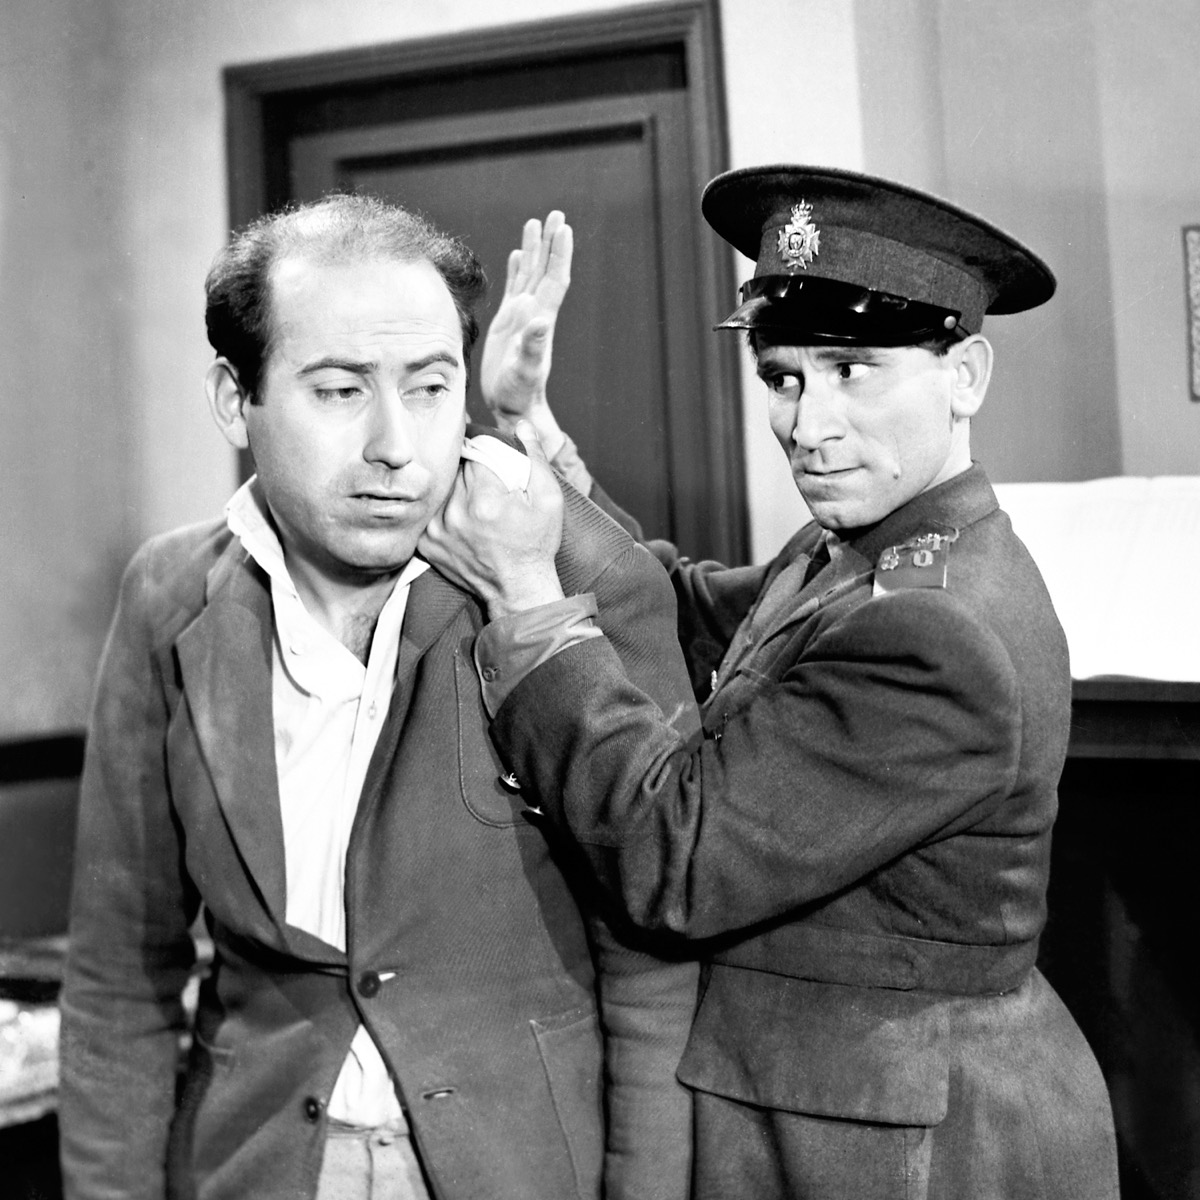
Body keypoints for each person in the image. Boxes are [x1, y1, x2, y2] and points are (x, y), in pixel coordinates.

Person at [421, 166, 1121, 1199]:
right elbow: (673, 605)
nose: (808, 423)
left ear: (966, 374)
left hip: (886, 1144)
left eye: (852, 370)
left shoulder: (936, 629)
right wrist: (531, 426)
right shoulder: (868, 548)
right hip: (834, 1101)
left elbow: (672, 861)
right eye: (783, 378)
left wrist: (525, 595)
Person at [57, 195, 701, 1200]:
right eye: (339, 390)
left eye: (431, 387)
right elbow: (120, 973)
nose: (396, 444)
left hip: (524, 1169)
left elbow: (653, 968)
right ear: (234, 397)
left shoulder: (572, 578)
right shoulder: (168, 595)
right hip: (254, 1167)